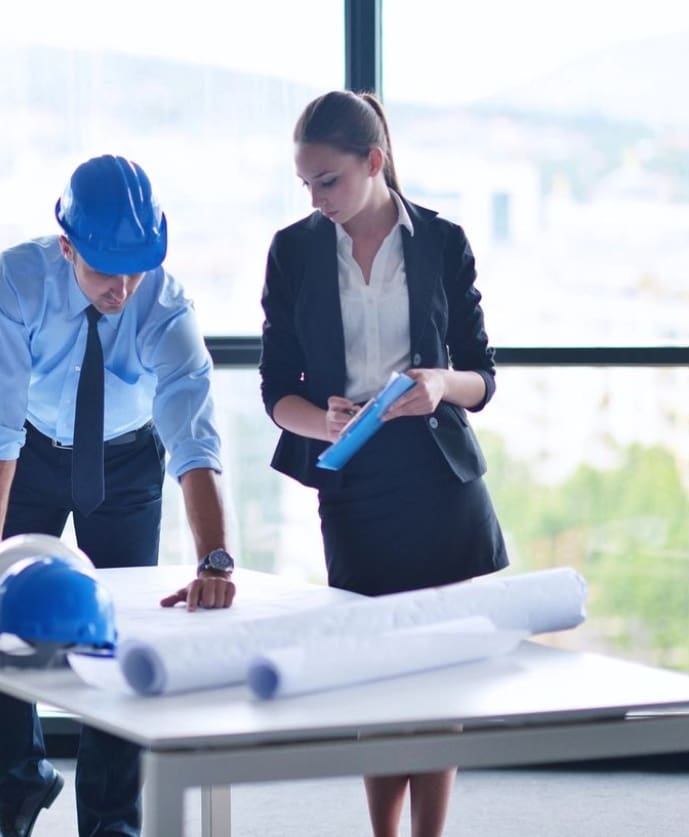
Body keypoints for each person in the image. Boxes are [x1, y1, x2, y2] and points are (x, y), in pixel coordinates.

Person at [258, 90, 509, 837]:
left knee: (440, 674)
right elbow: (277, 392)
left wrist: (438, 385)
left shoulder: (440, 240)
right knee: (376, 673)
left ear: (374, 162)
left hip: (438, 479)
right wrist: (321, 418)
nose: (316, 198)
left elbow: (482, 377)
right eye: (305, 183)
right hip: (355, 481)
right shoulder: (294, 249)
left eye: (328, 180)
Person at [0, 153, 238, 837]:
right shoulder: (18, 281)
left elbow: (195, 443)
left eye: (136, 268)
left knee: (121, 632)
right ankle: (20, 780)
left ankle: (112, 820)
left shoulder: (166, 307)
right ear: (66, 247)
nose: (122, 288)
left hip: (125, 464)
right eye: (104, 270)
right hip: (27, 454)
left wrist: (215, 560)